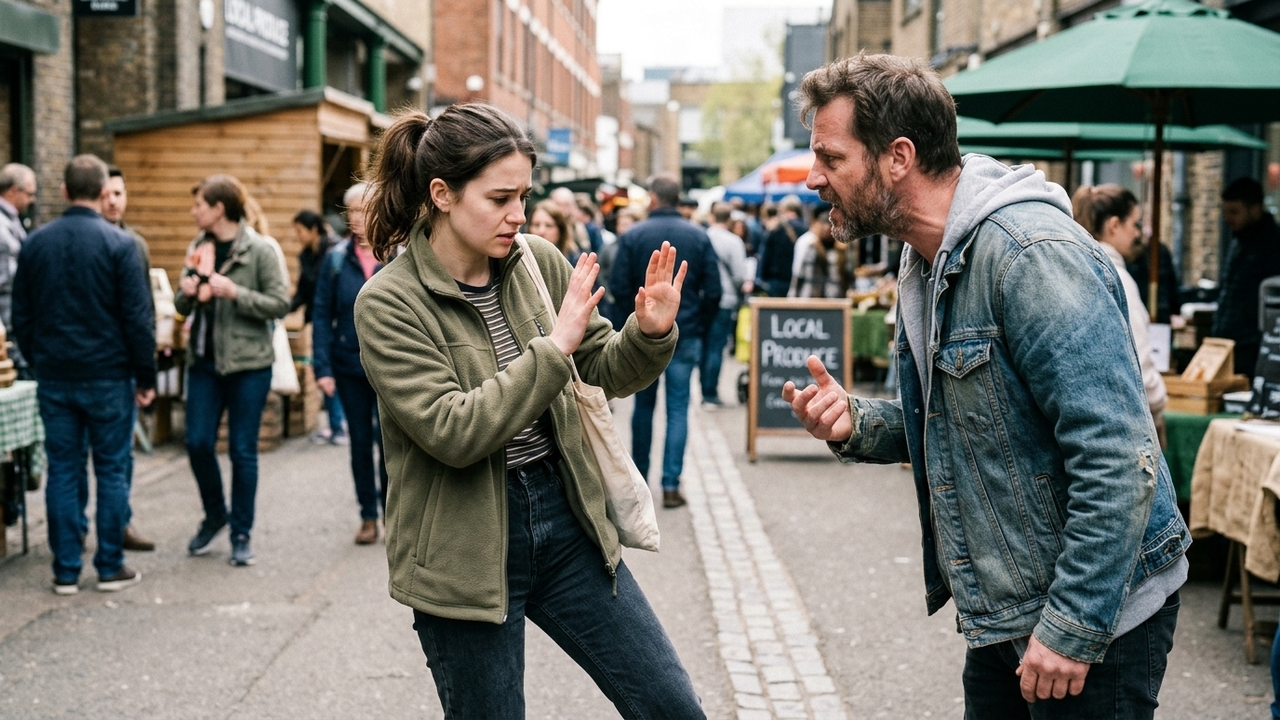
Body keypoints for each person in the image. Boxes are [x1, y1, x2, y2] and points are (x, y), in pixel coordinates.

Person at [782, 54, 1188, 718]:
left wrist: (1073, 625)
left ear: (898, 157)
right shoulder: (926, 258)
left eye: (831, 157)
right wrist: (859, 421)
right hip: (1008, 612)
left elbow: (1119, 458)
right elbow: (972, 422)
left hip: (1096, 618)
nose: (813, 177)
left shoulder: (1032, 256)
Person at [352, 103, 704, 719]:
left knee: (671, 705)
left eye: (524, 196)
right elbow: (453, 430)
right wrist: (554, 348)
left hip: (566, 520)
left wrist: (649, 334)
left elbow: (601, 368)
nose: (517, 214)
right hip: (463, 549)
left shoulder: (536, 261)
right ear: (441, 194)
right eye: (499, 198)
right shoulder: (388, 303)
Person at [12, 154, 155, 595]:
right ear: (102, 191)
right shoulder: (120, 244)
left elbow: (21, 315)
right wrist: (146, 376)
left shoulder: (36, 243)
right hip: (109, 375)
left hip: (55, 374)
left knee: (63, 469)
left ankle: (66, 570)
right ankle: (109, 566)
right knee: (111, 470)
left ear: (64, 191)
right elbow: (138, 320)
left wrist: (39, 359)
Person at [175, 174, 290, 567]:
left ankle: (241, 533)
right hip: (204, 364)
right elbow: (181, 305)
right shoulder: (199, 247)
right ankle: (215, 515)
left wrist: (235, 293)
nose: (194, 212)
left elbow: (279, 303)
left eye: (199, 205)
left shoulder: (260, 250)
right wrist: (187, 294)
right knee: (197, 443)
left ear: (219, 209)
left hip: (248, 366)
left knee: (242, 452)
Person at [610, 174, 721, 508]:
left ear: (653, 199)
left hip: (643, 335)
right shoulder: (698, 235)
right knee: (678, 409)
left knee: (643, 408)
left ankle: (641, 482)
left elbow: (618, 286)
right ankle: (671, 484)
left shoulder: (633, 235)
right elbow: (714, 290)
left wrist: (631, 324)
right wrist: (698, 323)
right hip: (684, 333)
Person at [312, 183, 388, 545]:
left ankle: (393, 515)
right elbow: (321, 314)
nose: (358, 218)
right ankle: (368, 516)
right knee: (359, 443)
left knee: (390, 445)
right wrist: (322, 368)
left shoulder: (398, 256)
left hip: (390, 368)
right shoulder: (336, 260)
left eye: (364, 209)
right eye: (352, 211)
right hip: (349, 366)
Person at [1072, 185, 1169, 447]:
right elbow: (1140, 366)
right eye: (1134, 224)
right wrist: (1158, 404)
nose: (1137, 233)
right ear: (1114, 225)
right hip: (1118, 429)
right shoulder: (1118, 281)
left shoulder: (1071, 270)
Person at [101, 165, 159, 553]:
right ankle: (84, 530)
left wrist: (145, 368)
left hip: (123, 366)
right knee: (88, 459)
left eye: (118, 194)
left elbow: (144, 311)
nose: (112, 201)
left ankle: (120, 522)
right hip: (95, 365)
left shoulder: (136, 244)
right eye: (105, 194)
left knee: (121, 457)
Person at [1210, 177, 1280, 375]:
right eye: (1225, 212)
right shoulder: (1238, 242)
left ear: (1255, 209)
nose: (1227, 218)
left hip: (1255, 348)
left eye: (1234, 212)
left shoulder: (1273, 245)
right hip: (1228, 343)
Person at [290, 209, 347, 445]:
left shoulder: (335, 252)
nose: (298, 236)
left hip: (337, 322)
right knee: (323, 369)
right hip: (318, 319)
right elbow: (303, 292)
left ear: (313, 229)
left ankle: (341, 425)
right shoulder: (306, 256)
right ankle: (336, 424)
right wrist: (283, 308)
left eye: (300, 231)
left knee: (335, 369)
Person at [701, 202, 749, 407]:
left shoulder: (702, 236)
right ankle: (709, 393)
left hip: (702, 298)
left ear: (711, 216)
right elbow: (739, 275)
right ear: (729, 219)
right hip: (725, 299)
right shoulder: (734, 241)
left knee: (703, 345)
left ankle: (702, 387)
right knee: (716, 347)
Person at [0, 163, 36, 374]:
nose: (32, 200)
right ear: (14, 190)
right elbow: (8, 287)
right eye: (29, 194)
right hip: (8, 332)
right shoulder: (2, 229)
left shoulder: (10, 220)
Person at [789, 208, 852, 299]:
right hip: (810, 297)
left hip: (835, 298)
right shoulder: (809, 245)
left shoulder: (841, 248)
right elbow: (798, 274)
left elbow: (848, 276)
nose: (828, 231)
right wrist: (792, 297)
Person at [757, 195, 806, 297]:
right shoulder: (805, 229)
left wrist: (761, 280)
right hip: (799, 283)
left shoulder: (774, 228)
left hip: (776, 282)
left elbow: (765, 258)